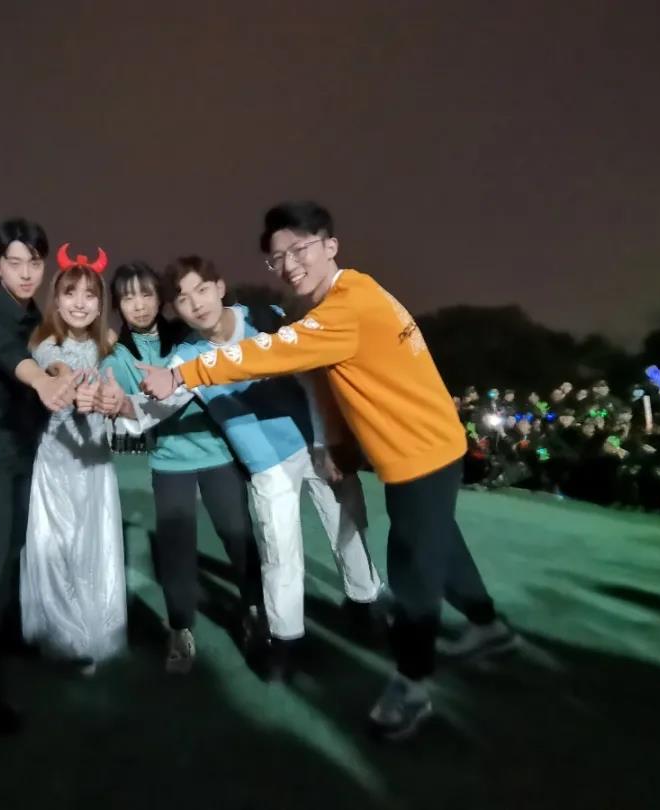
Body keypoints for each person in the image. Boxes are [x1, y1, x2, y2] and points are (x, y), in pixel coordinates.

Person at [141, 202, 514, 740]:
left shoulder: (343, 307)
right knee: (441, 546)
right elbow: (320, 375)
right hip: (422, 449)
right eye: (278, 258)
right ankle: (488, 626)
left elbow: (273, 353)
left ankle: (411, 686)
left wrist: (186, 375)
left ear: (329, 245)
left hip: (420, 455)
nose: (290, 265)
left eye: (300, 250)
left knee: (412, 573)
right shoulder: (353, 292)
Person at [121, 255, 384, 681]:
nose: (196, 303)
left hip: (314, 443)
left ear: (220, 287)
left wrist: (326, 443)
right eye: (183, 299)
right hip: (266, 463)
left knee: (347, 527)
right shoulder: (187, 356)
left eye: (202, 289)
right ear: (177, 309)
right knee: (279, 551)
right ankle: (285, 640)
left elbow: (314, 379)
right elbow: (149, 410)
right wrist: (114, 405)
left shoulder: (266, 319)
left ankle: (365, 603)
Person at [101, 261, 266, 673]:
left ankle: (254, 609)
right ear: (117, 306)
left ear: (162, 298)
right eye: (128, 298)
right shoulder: (118, 356)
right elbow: (118, 402)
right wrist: (111, 399)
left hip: (216, 452)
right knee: (175, 549)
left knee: (239, 539)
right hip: (169, 461)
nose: (139, 305)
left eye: (147, 294)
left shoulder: (189, 337)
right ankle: (180, 628)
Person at [0, 218, 79, 734]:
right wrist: (42, 380)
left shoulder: (37, 317)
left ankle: (5, 638)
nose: (26, 273)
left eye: (35, 263)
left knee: (12, 553)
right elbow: (11, 358)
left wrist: (62, 372)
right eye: (15, 263)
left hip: (26, 452)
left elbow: (51, 358)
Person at [20, 248, 128, 674]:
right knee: (55, 547)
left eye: (89, 294)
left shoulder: (110, 344)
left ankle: (95, 631)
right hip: (56, 461)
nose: (80, 303)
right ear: (57, 300)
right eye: (70, 293)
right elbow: (54, 366)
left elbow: (125, 381)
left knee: (94, 548)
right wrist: (65, 377)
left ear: (101, 305)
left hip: (96, 462)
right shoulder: (45, 342)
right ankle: (62, 636)